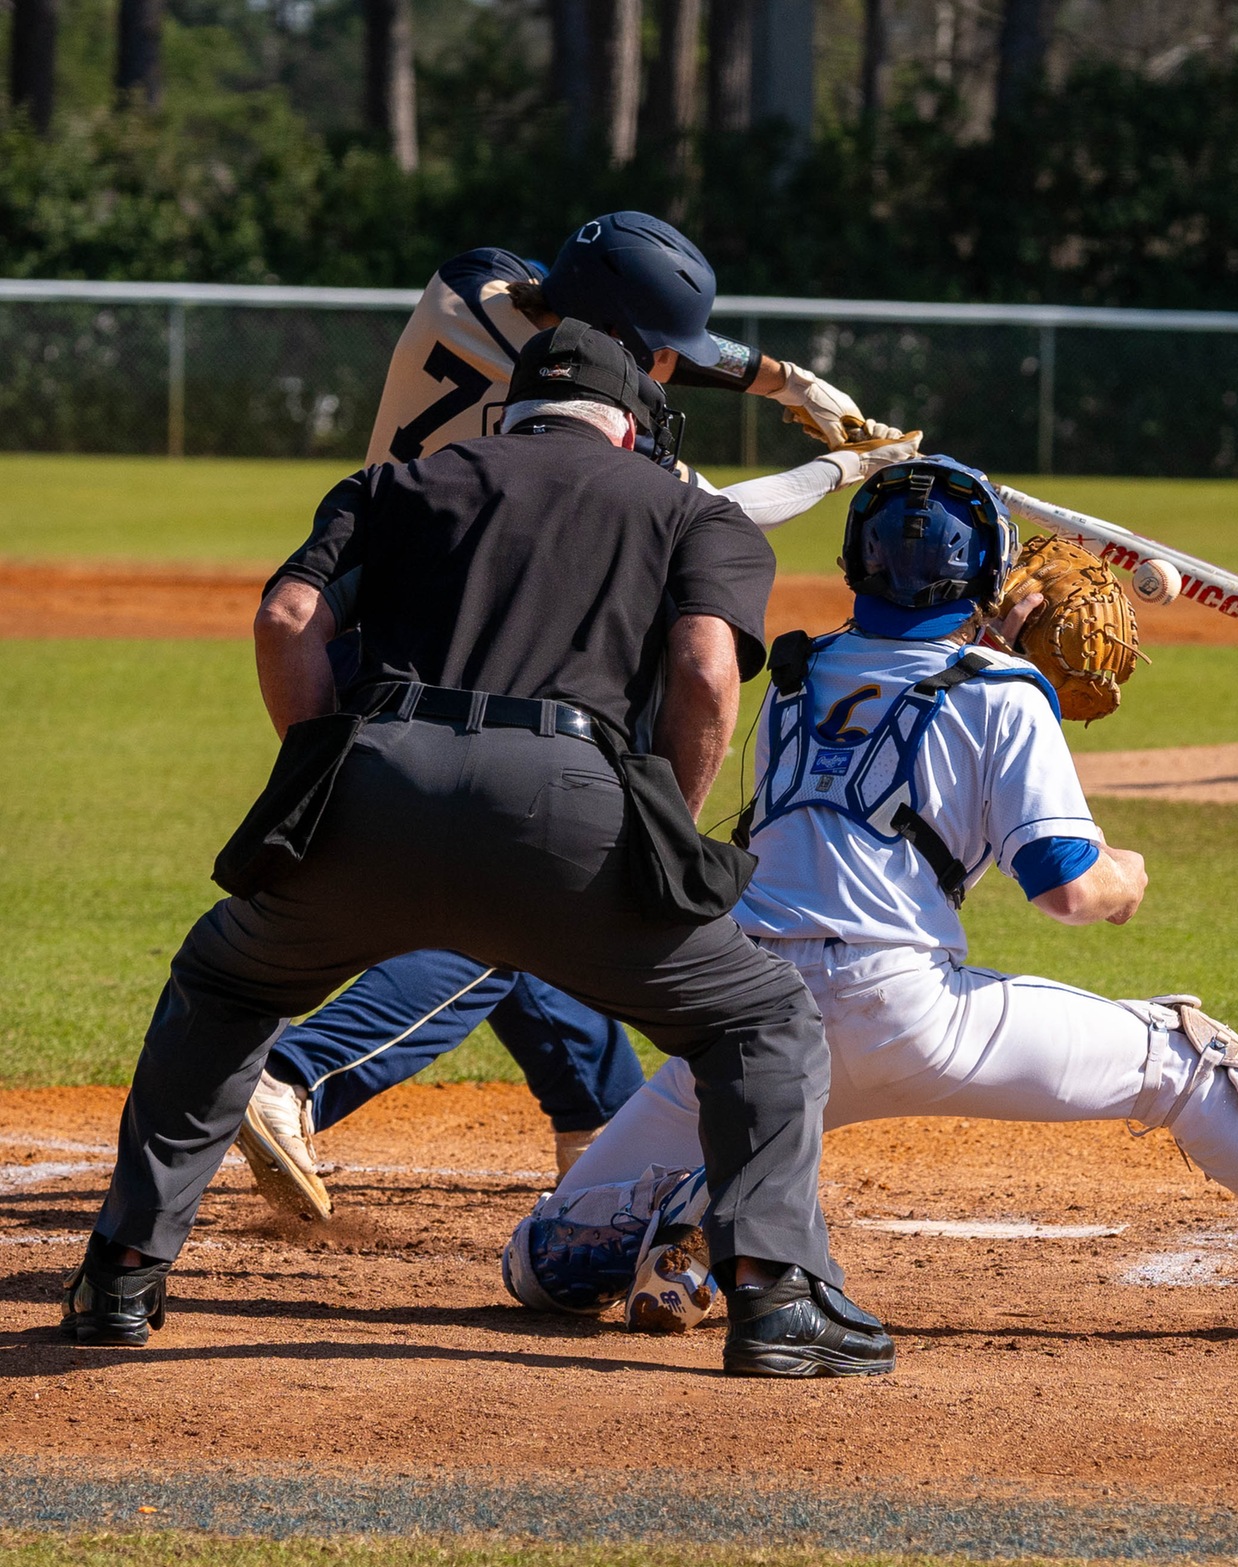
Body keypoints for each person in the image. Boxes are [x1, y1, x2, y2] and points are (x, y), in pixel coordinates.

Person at [501, 457, 1238, 1339]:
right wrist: (1127, 878)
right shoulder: (1005, 695)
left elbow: (899, 695)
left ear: (852, 564)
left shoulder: (794, 677)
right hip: (907, 1012)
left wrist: (989, 642)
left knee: (542, 1267)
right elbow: (1063, 888)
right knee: (1184, 1056)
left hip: (744, 1022)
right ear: (988, 577)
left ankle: (684, 1226)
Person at [63, 323, 894, 1380]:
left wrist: (328, 773)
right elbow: (702, 672)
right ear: (628, 425)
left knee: (225, 982)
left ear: (511, 412)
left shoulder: (392, 482)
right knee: (758, 1017)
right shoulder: (694, 510)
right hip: (572, 809)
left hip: (373, 786)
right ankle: (776, 1300)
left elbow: (286, 621)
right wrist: (663, 830)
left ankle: (120, 1279)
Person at [237, 211, 919, 1222]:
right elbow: (712, 509)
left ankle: (592, 1121)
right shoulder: (586, 429)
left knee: (528, 880)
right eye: (650, 352)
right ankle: (295, 1075)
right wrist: (839, 470)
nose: (659, 368)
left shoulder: (476, 286)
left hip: (382, 630)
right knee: (513, 896)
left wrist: (785, 381)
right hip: (441, 660)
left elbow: (626, 318)